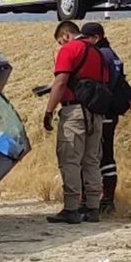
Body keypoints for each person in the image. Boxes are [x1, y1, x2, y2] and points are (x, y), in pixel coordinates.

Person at [43, 21, 109, 224]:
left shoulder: (69, 50)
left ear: (65, 35)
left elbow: (61, 82)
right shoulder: (98, 53)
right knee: (92, 160)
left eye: (60, 41)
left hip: (74, 112)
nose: (60, 45)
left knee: (69, 159)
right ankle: (93, 207)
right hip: (96, 112)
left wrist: (49, 111)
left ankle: (71, 207)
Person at [80, 22, 124, 216]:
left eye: (86, 38)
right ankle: (106, 199)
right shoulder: (112, 54)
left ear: (96, 37)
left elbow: (103, 84)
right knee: (106, 155)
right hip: (112, 111)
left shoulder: (101, 55)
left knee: (99, 156)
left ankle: (103, 200)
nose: (84, 43)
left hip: (104, 112)